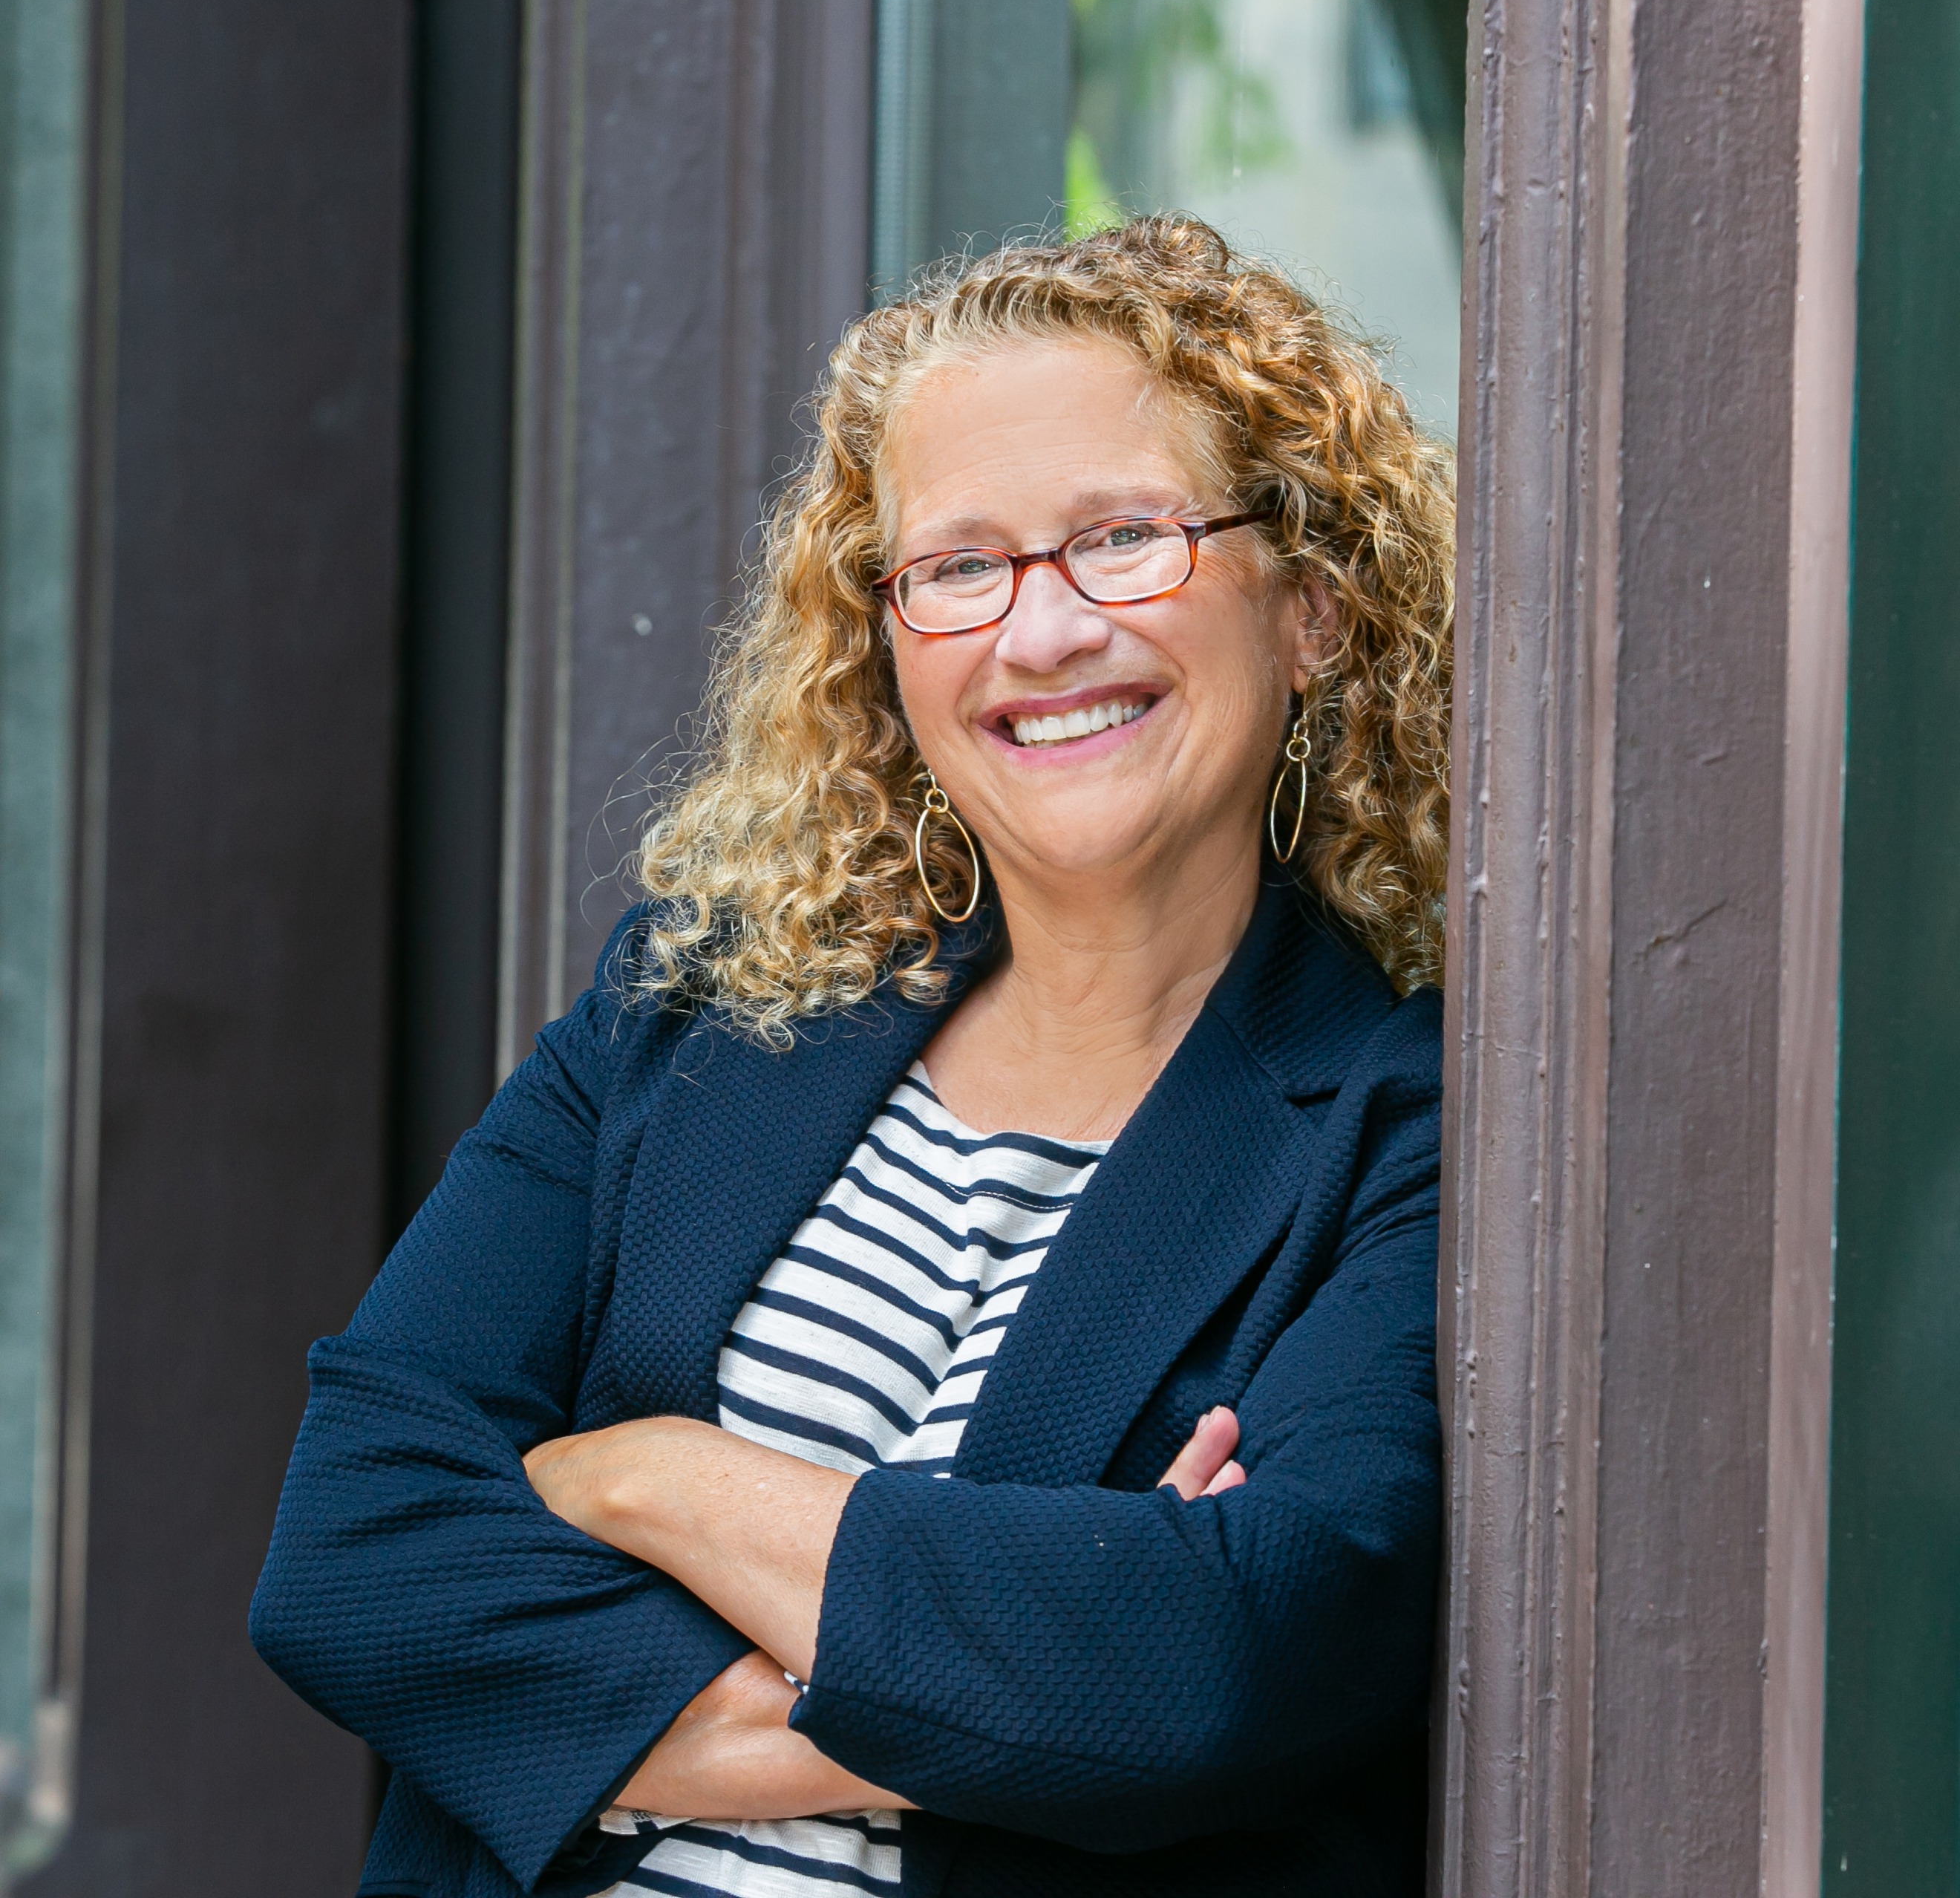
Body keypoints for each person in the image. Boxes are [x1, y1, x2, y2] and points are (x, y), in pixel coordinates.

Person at [252, 215, 1454, 1898]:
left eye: (1123, 539)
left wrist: (637, 1476)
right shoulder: (696, 1008)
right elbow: (355, 1546)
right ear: (885, 641)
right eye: (960, 565)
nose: (1040, 636)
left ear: (1313, 608)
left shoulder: (1410, 1129)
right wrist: (1003, 1672)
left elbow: (1221, 1661)